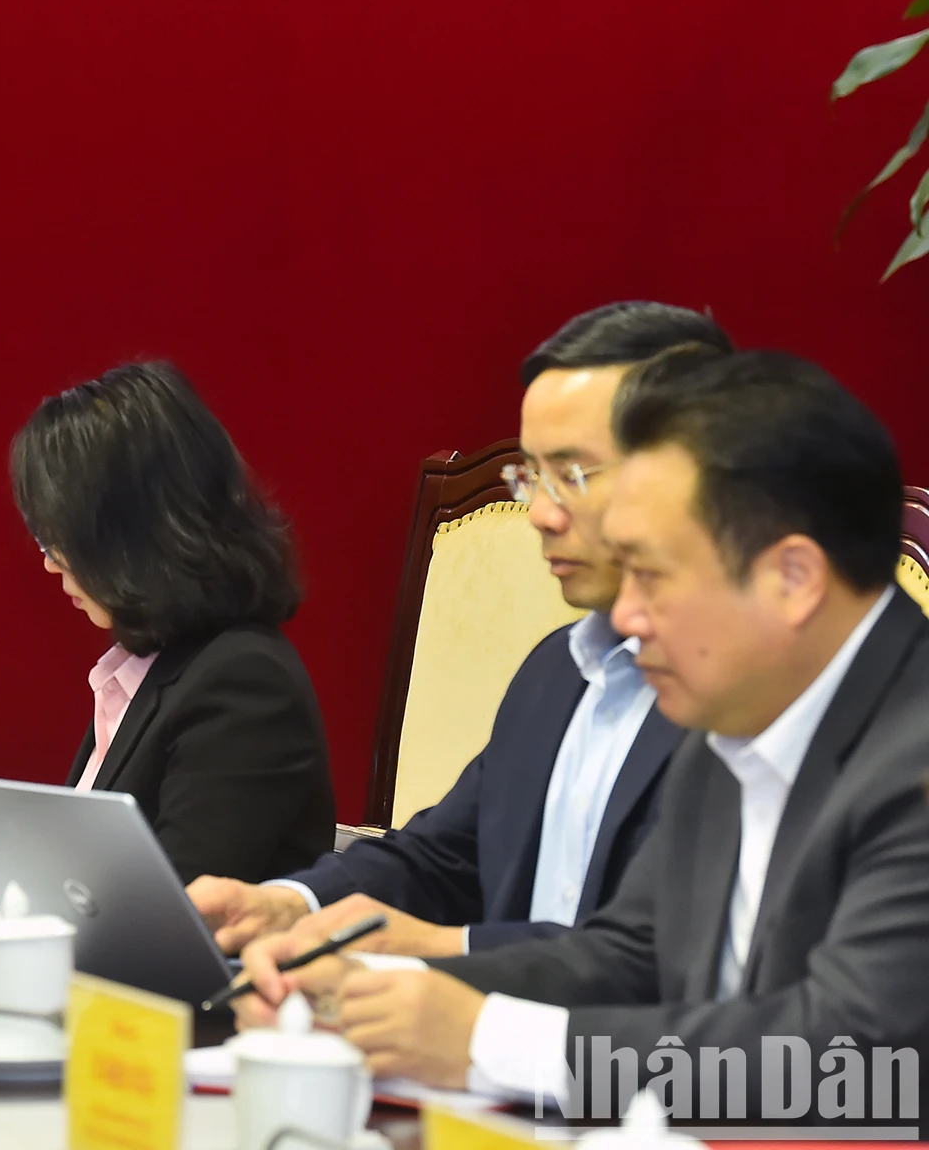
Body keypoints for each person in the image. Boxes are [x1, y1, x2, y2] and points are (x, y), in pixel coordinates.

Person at [239, 350, 929, 1121]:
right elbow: (630, 956)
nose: (625, 621)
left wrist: (486, 1041)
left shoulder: (910, 752)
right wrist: (378, 999)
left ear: (793, 578)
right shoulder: (729, 719)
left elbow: (858, 1065)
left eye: (653, 576)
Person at [191, 302, 730, 957]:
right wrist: (287, 903)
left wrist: (443, 952)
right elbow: (444, 856)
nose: (539, 514)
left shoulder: (750, 691)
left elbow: (654, 954)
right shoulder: (557, 671)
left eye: (572, 475)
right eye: (532, 476)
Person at [0, 361, 335, 885]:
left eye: (58, 540)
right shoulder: (155, 662)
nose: (49, 563)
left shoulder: (244, 682)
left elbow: (174, 901)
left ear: (134, 534)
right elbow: (94, 851)